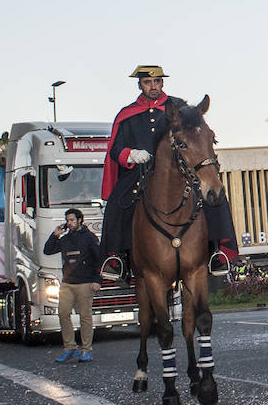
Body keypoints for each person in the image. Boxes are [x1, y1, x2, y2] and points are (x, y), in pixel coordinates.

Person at [99, 64, 237, 280]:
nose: (153, 86)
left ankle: (216, 250)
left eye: (157, 82)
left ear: (162, 83)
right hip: (141, 170)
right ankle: (118, 257)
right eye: (148, 82)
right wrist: (131, 154)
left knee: (215, 196)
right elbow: (116, 149)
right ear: (140, 85)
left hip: (181, 170)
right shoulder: (127, 115)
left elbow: (199, 136)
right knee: (118, 201)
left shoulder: (180, 109)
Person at [44, 207, 103, 362]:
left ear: (79, 220)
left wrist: (98, 280)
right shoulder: (65, 239)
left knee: (85, 316)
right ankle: (70, 347)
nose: (69, 223)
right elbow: (47, 250)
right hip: (67, 283)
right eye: (67, 220)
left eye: (71, 220)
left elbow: (99, 260)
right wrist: (55, 234)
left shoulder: (90, 238)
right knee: (63, 313)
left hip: (85, 283)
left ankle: (86, 350)